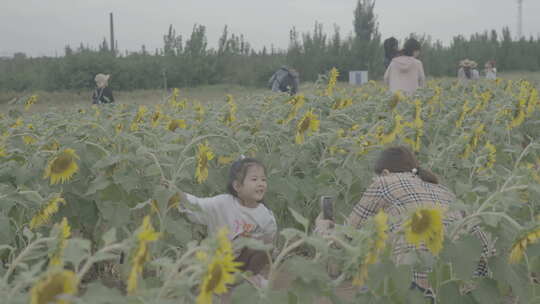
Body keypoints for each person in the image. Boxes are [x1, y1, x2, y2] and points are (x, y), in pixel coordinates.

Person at [316, 146, 493, 301]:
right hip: (460, 285)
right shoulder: (443, 189)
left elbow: (349, 234)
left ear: (384, 172)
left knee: (376, 273)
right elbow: (483, 244)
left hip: (414, 286)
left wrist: (324, 227)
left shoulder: (384, 182)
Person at [178, 156, 277, 290]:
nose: (261, 183)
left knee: (264, 243)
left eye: (263, 179)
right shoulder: (223, 203)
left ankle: (249, 277)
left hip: (241, 265)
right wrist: (176, 194)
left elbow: (269, 241)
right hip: (216, 261)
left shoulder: (264, 215)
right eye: (254, 179)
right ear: (237, 186)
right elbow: (198, 205)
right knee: (190, 260)